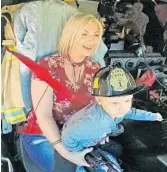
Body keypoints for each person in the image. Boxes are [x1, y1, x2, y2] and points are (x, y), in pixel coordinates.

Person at [20, 13, 104, 172]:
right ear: (71, 35)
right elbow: (44, 115)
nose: (91, 40)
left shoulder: (96, 69)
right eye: (84, 34)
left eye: (96, 35)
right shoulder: (47, 65)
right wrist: (66, 153)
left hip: (76, 136)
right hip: (42, 134)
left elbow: (98, 108)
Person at [62, 66, 163, 172]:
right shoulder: (93, 123)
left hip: (96, 136)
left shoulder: (115, 110)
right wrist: (79, 152)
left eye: (127, 100)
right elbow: (67, 136)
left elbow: (132, 113)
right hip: (82, 143)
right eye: (115, 102)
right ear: (99, 100)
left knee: (118, 149)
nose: (123, 107)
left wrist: (153, 116)